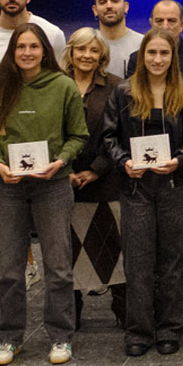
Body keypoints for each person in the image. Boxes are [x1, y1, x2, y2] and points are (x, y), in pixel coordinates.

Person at [0, 25, 89, 366]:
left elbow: (78, 135)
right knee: (10, 270)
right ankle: (10, 338)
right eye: (21, 46)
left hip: (53, 186)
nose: (27, 53)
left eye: (33, 46)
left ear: (44, 51)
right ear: (12, 51)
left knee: (58, 267)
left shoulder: (63, 86)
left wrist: (61, 161)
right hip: (8, 187)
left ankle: (61, 336)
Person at [100, 28, 183, 357]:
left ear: (173, 58)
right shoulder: (123, 92)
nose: (158, 59)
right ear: (142, 56)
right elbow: (109, 137)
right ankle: (139, 330)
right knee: (138, 261)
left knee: (172, 260)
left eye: (164, 53)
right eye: (152, 53)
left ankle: (170, 328)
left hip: (174, 186)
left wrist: (180, 160)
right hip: (136, 187)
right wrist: (124, 162)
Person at [62, 27, 126, 329]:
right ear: (71, 52)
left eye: (93, 50)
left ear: (102, 55)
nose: (87, 55)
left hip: (107, 182)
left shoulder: (117, 86)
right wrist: (65, 171)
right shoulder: (55, 83)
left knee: (115, 249)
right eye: (81, 49)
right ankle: (70, 313)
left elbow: (122, 134)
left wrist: (97, 168)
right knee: (68, 251)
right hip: (63, 182)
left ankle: (124, 311)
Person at [123, 0, 183, 88]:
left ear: (182, 25)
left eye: (171, 21)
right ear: (151, 24)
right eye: (159, 21)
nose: (165, 26)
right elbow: (129, 93)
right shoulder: (136, 59)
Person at [90, 0, 144, 76]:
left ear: (126, 7)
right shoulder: (86, 45)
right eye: (102, 2)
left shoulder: (143, 43)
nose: (109, 6)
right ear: (95, 10)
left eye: (115, 1)